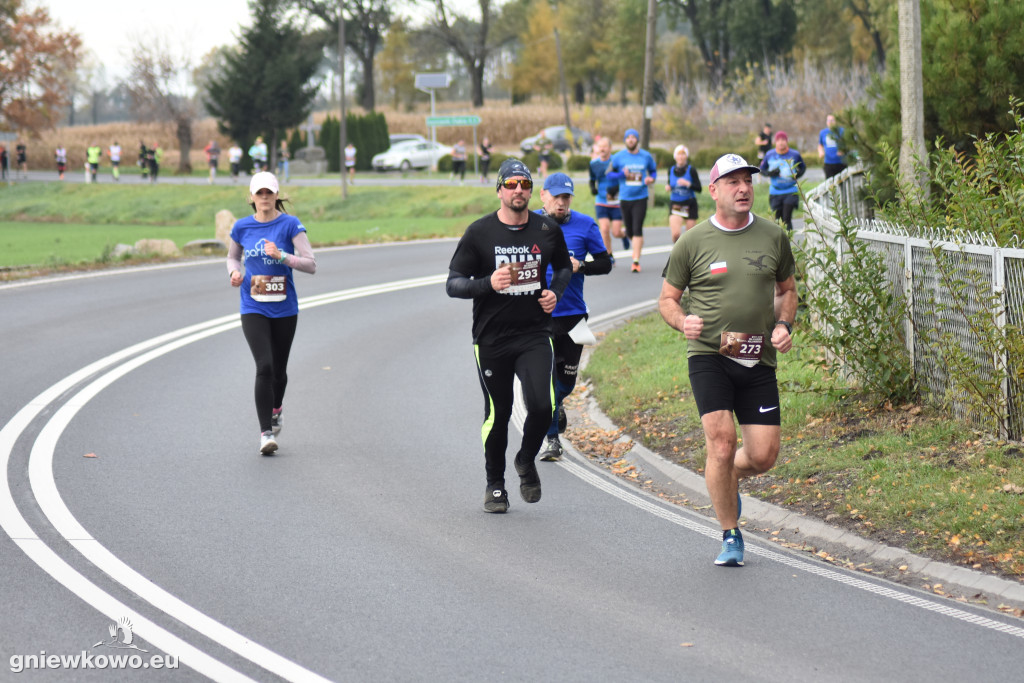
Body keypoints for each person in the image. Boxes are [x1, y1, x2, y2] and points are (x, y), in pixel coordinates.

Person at [658, 153, 797, 567]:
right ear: (714, 190)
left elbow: (787, 290)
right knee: (721, 443)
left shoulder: (773, 236)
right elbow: (667, 299)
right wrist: (683, 321)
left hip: (757, 356)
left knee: (763, 456)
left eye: (748, 181)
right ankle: (730, 534)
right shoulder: (692, 242)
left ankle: (727, 474)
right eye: (733, 182)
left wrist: (784, 325)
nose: (743, 188)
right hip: (709, 355)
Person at [446, 158, 573, 513]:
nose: (519, 190)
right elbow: (453, 284)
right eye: (511, 184)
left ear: (531, 191)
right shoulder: (479, 233)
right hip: (492, 339)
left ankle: (525, 460)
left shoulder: (547, 229)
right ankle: (495, 485)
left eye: (525, 184)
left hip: (534, 333)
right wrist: (488, 283)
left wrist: (555, 293)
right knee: (498, 414)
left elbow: (563, 267)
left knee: (543, 407)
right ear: (499, 190)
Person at [226, 171, 317, 454]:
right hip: (253, 305)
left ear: (276, 195)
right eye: (259, 193)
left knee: (278, 371)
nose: (264, 197)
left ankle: (276, 409)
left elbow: (311, 264)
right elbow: (232, 257)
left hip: (284, 307)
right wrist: (234, 272)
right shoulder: (242, 227)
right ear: (252, 197)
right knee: (264, 366)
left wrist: (282, 256)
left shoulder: (290, 225)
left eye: (269, 192)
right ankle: (266, 434)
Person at [534, 172, 613, 461]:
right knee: (545, 381)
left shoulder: (585, 225)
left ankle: (558, 404)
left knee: (566, 382)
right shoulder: (529, 223)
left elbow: (606, 263)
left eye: (566, 197)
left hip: (574, 315)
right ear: (543, 196)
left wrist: (582, 266)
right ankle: (552, 439)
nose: (561, 202)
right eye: (556, 196)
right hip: (539, 316)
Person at [608, 128, 657, 272]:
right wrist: (621, 175)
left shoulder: (646, 156)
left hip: (641, 197)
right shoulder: (618, 157)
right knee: (629, 230)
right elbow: (609, 174)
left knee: (637, 228)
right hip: (625, 197)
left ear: (637, 140)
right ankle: (635, 240)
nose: (630, 140)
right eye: (628, 137)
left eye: (633, 137)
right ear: (625, 140)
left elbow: (653, 171)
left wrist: (651, 178)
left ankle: (635, 261)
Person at [759, 131, 806, 232]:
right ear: (775, 142)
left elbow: (803, 167)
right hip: (775, 191)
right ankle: (779, 240)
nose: (781, 142)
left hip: (790, 190)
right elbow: (762, 169)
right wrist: (770, 173)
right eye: (778, 140)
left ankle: (789, 240)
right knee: (777, 220)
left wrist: (797, 175)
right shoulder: (769, 154)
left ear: (786, 141)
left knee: (786, 219)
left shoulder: (794, 154)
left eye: (783, 140)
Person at [589, 136, 625, 260]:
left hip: (616, 201)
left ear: (610, 148)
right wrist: (593, 188)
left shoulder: (616, 161)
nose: (602, 149)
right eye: (600, 146)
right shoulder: (594, 164)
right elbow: (592, 179)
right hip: (601, 201)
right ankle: (609, 255)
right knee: (604, 229)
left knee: (616, 232)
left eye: (605, 146)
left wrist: (615, 189)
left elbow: (623, 178)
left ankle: (624, 236)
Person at [665, 144, 702, 242]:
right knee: (675, 234)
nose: (681, 157)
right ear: (675, 156)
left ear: (686, 156)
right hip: (676, 204)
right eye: (679, 154)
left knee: (689, 238)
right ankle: (678, 250)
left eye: (683, 154)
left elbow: (699, 188)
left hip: (689, 203)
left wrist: (688, 184)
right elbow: (670, 182)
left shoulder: (691, 170)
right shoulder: (670, 169)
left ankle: (688, 251)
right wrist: (668, 186)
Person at [817, 114, 848, 179]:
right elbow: (820, 145)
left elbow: (849, 143)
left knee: (842, 183)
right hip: (828, 163)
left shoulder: (842, 131)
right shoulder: (823, 132)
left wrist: (843, 150)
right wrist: (821, 152)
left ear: (836, 121)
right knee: (830, 183)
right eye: (828, 120)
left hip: (841, 163)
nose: (830, 122)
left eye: (832, 120)